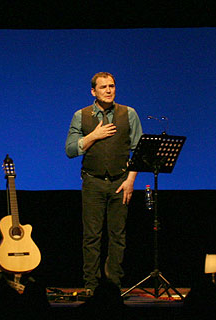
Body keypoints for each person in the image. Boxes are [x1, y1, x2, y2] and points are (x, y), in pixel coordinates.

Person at [65, 72, 143, 295]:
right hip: (93, 182)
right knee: (92, 237)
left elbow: (138, 149)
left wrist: (131, 180)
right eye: (103, 87)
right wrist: (93, 135)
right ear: (93, 91)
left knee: (118, 236)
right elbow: (70, 150)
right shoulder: (81, 116)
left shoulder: (128, 114)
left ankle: (113, 287)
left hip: (121, 182)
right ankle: (91, 286)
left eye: (112, 86)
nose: (108, 90)